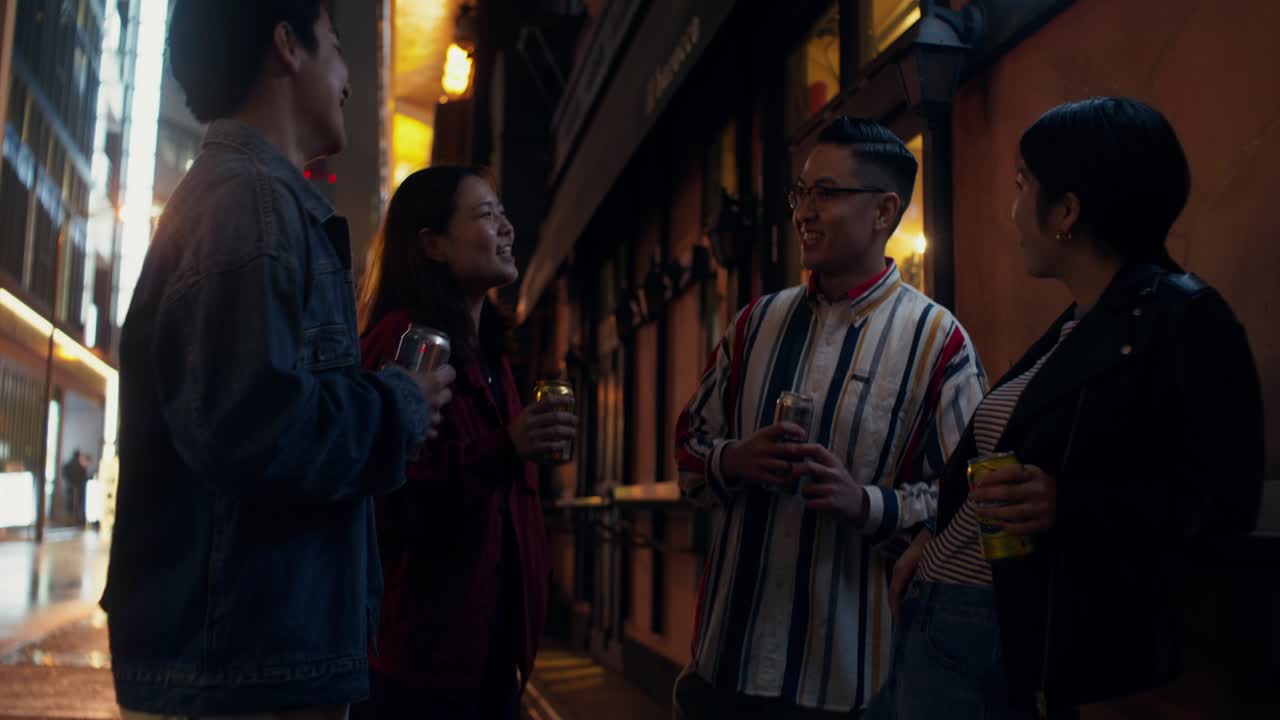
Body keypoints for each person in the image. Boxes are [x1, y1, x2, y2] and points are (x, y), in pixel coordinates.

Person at [102, 1, 454, 717]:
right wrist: (402, 399)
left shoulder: (249, 202)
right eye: (334, 45)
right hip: (248, 667)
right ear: (287, 46)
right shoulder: (252, 206)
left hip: (250, 657)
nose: (349, 76)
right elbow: (254, 423)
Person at [868, 97, 1264, 720]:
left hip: (1008, 637)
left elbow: (1222, 502)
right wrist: (934, 538)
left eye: (1023, 185)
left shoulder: (1183, 318)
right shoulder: (1078, 325)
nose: (1012, 210)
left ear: (1068, 212)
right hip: (946, 619)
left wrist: (1072, 502)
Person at [673, 116, 987, 717]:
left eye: (827, 193)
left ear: (884, 211)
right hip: (723, 666)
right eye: (801, 192)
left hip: (851, 683)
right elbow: (689, 446)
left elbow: (967, 504)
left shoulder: (938, 342)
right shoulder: (755, 323)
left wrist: (866, 503)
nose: (804, 211)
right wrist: (735, 459)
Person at [353, 167, 575, 719]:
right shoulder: (406, 343)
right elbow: (388, 499)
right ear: (431, 243)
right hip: (419, 667)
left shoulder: (492, 353)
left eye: (502, 212)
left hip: (490, 658)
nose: (506, 229)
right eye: (484, 215)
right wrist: (505, 448)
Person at [63, 449, 88, 526]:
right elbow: (84, 476)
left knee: (69, 505)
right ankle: (74, 521)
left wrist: (69, 481)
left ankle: (69, 521)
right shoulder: (80, 466)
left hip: (70, 486)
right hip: (78, 487)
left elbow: (65, 473)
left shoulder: (68, 464)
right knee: (76, 504)